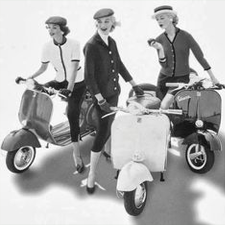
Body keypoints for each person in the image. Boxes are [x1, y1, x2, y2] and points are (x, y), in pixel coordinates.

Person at [83, 8, 144, 194]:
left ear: (112, 23)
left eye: (107, 22)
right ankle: (92, 174)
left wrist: (134, 84)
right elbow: (89, 77)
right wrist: (99, 99)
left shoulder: (112, 42)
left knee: (109, 124)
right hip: (101, 97)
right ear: (96, 24)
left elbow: (119, 65)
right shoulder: (91, 45)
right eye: (100, 22)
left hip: (114, 93)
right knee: (102, 132)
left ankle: (108, 153)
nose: (104, 25)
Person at [27, 16, 86, 173]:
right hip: (60, 81)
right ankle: (43, 125)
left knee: (72, 115)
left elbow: (74, 68)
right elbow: (43, 68)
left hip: (78, 83)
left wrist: (70, 89)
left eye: (54, 27)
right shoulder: (47, 46)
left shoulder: (74, 44)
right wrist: (30, 78)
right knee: (38, 92)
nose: (50, 31)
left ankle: (77, 155)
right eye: (48, 27)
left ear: (62, 28)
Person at [148, 5, 220, 109]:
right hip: (163, 79)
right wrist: (160, 49)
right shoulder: (159, 39)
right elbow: (164, 64)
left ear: (171, 17)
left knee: (164, 106)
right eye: (157, 19)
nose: (159, 21)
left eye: (162, 18)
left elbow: (200, 57)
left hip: (181, 79)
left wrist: (213, 78)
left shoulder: (186, 36)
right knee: (162, 110)